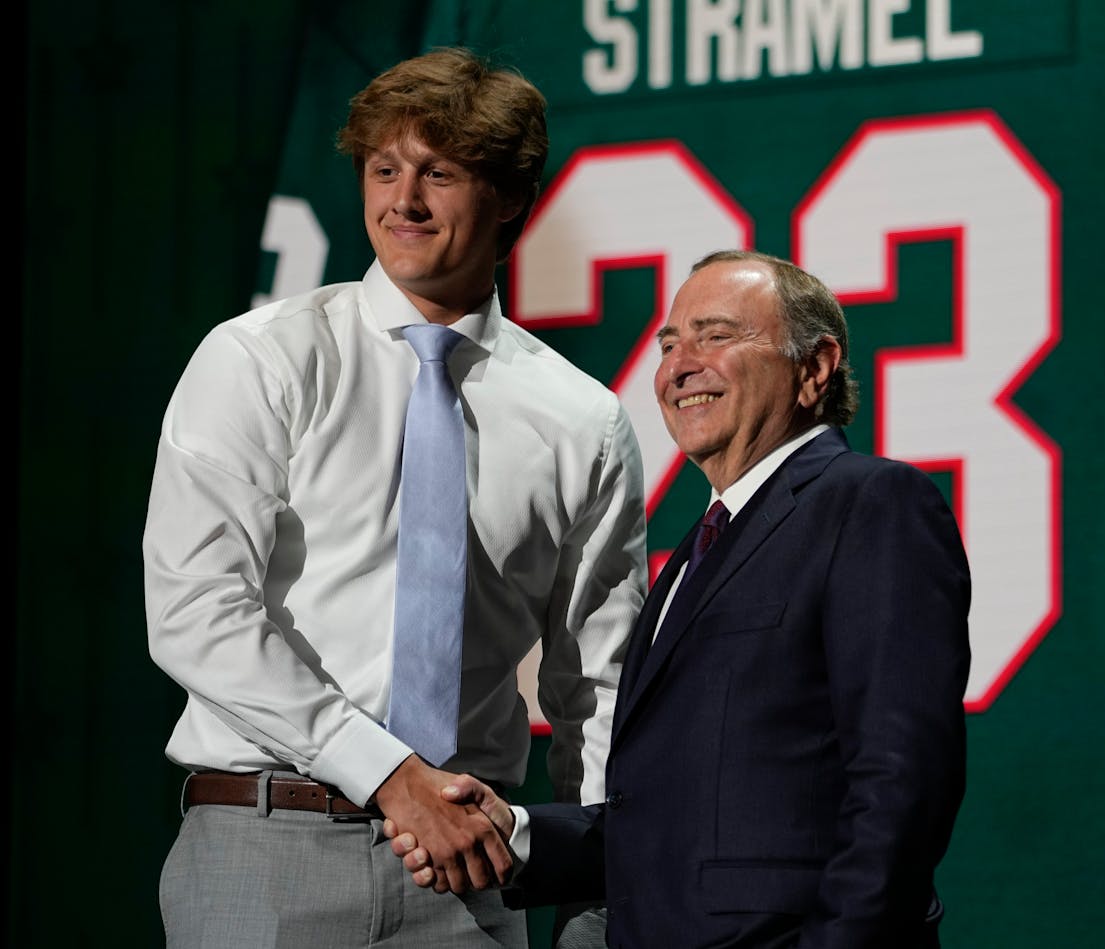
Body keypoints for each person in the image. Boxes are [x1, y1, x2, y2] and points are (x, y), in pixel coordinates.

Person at [142, 47, 647, 948]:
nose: (402, 200)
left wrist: (596, 908)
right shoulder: (261, 358)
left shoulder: (583, 419)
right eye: (384, 169)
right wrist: (388, 772)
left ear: (511, 196)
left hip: (471, 881)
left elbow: (596, 692)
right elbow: (194, 611)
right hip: (264, 853)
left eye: (439, 173)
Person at [388, 249, 972, 947]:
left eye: (716, 336)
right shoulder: (701, 548)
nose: (678, 366)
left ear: (815, 367)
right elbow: (666, 815)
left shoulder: (871, 504)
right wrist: (516, 833)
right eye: (669, 344)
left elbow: (902, 783)